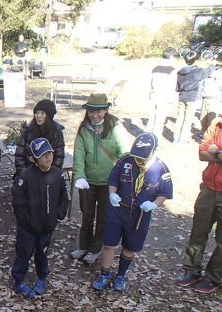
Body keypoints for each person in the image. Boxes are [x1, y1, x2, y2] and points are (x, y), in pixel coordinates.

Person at [93, 132, 173, 291]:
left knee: (129, 246)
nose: (139, 159)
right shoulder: (126, 160)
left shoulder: (161, 169)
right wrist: (112, 194)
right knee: (109, 243)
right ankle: (104, 275)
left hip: (139, 214)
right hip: (118, 209)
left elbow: (164, 192)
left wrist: (154, 204)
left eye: (143, 156)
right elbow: (113, 179)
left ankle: (120, 276)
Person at [70, 93, 130, 266]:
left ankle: (95, 249)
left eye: (99, 111)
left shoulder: (115, 127)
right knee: (87, 215)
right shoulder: (83, 129)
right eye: (91, 112)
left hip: (108, 183)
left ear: (105, 110)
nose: (95, 115)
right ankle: (83, 246)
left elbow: (124, 153)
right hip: (88, 182)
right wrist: (79, 176)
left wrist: (120, 180)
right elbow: (79, 155)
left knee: (103, 217)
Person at [11, 138, 69, 298]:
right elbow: (18, 202)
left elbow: (65, 196)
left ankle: (42, 277)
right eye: (43, 155)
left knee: (43, 253)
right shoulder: (26, 176)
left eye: (49, 152)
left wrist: (58, 214)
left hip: (47, 227)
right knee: (24, 253)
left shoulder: (58, 174)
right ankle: (18, 281)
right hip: (28, 228)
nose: (48, 157)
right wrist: (27, 220)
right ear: (33, 159)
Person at [175, 116, 222, 293]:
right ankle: (192, 270)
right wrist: (219, 153)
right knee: (198, 231)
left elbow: (210, 152)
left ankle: (213, 276)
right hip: (209, 189)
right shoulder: (217, 123)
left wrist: (215, 152)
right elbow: (202, 153)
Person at [15, 99, 65, 178]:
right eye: (36, 112)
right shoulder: (27, 131)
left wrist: (50, 176)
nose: (38, 116)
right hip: (28, 174)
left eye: (42, 113)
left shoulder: (57, 133)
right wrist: (25, 174)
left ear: (48, 115)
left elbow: (59, 157)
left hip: (48, 175)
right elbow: (19, 156)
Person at [173, 52, 215, 145]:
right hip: (192, 97)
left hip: (182, 96)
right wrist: (212, 63)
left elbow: (177, 87)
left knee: (180, 117)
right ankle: (182, 139)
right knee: (188, 119)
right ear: (195, 60)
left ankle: (175, 138)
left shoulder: (180, 72)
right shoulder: (197, 71)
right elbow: (208, 72)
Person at [145, 52, 178, 140]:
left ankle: (146, 138)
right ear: (171, 57)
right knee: (159, 121)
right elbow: (172, 86)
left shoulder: (155, 69)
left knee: (151, 119)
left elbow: (151, 84)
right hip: (163, 97)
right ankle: (155, 141)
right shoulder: (172, 70)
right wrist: (171, 100)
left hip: (153, 95)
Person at [200, 68, 222, 134]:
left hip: (214, 99)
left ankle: (210, 134)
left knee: (211, 118)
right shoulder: (206, 79)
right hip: (205, 98)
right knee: (203, 117)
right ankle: (203, 132)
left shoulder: (219, 79)